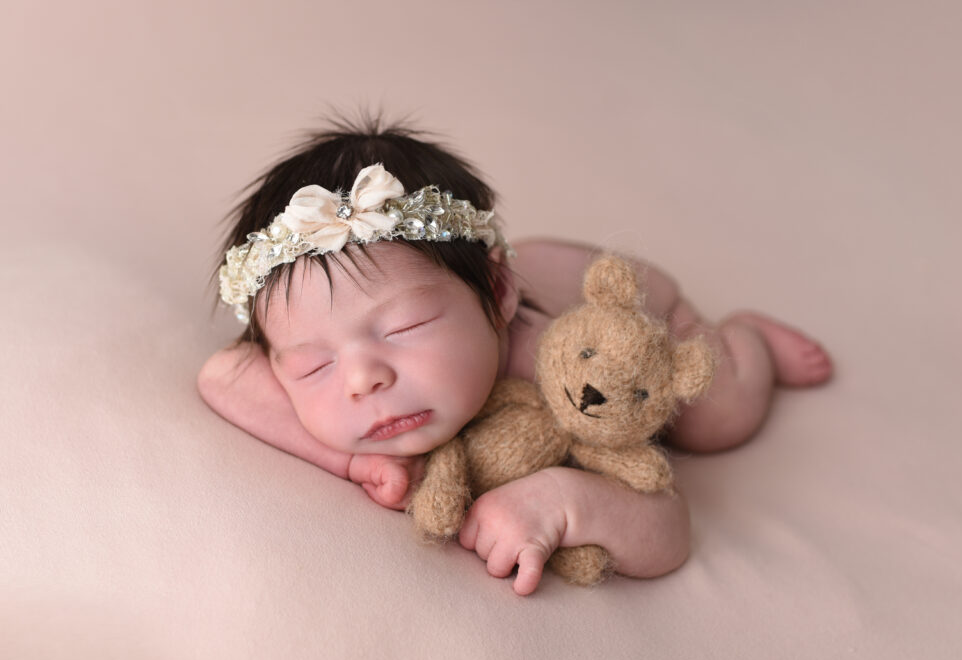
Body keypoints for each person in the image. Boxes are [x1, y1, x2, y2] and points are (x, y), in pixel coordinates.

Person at [198, 118, 833, 596]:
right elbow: (222, 376)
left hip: (643, 312)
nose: (363, 379)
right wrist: (355, 460)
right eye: (312, 366)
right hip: (508, 266)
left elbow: (668, 531)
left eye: (405, 327)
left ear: (499, 294)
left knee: (717, 420)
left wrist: (563, 500)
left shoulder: (555, 370)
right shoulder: (349, 348)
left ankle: (748, 338)